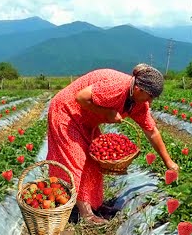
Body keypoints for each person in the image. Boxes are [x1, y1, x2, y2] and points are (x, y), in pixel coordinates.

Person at [47, 64, 179, 225]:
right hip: (66, 113)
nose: (150, 101)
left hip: (86, 121)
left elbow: (152, 131)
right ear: (138, 89)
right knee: (77, 160)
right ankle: (86, 214)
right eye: (150, 96)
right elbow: (81, 97)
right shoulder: (116, 86)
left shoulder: (138, 104)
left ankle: (94, 205)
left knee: (93, 161)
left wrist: (168, 161)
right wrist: (106, 113)